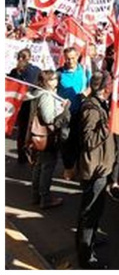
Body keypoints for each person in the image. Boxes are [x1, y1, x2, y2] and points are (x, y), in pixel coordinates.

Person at [76, 71, 116, 269]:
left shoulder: (101, 104)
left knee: (95, 210)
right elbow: (89, 139)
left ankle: (90, 241)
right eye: (111, 83)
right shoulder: (91, 108)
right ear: (104, 87)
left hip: (101, 166)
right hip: (94, 169)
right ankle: (86, 258)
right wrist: (108, 126)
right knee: (89, 212)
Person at [28, 70, 70, 209]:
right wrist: (63, 109)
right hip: (46, 136)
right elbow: (48, 118)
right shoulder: (45, 95)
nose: (55, 82)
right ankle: (44, 198)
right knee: (46, 167)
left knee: (39, 166)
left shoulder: (38, 92)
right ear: (45, 81)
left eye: (55, 79)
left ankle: (36, 195)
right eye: (51, 79)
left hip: (39, 136)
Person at [57, 46, 90, 176]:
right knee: (65, 139)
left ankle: (76, 164)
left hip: (80, 111)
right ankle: (68, 166)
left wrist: (87, 92)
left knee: (78, 139)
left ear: (77, 57)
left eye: (73, 58)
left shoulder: (85, 71)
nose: (70, 61)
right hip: (65, 113)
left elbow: (91, 87)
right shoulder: (59, 73)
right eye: (67, 59)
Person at [9, 48, 41, 164]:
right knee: (32, 130)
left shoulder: (16, 71)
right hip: (31, 105)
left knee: (22, 131)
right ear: (30, 58)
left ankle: (22, 156)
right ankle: (30, 155)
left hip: (21, 105)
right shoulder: (35, 70)